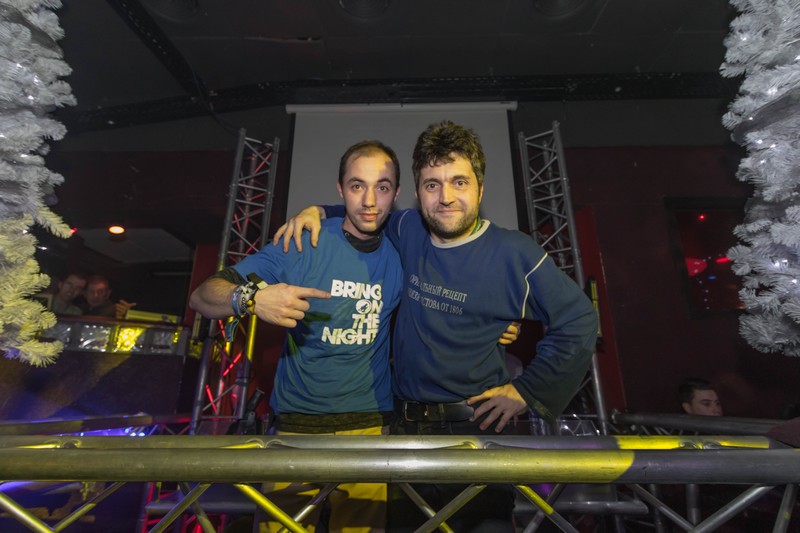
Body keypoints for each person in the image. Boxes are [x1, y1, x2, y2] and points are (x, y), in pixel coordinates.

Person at [276, 120, 599, 531]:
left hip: (476, 431)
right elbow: (366, 211)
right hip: (403, 430)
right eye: (432, 184)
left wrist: (527, 391)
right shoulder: (408, 228)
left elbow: (579, 321)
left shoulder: (514, 253)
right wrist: (319, 210)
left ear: (480, 189)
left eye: (459, 182)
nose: (446, 197)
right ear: (417, 193)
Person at [190, 140, 404, 533]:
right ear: (340, 189)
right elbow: (203, 295)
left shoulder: (402, 249)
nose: (370, 201)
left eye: (383, 187)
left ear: (396, 193)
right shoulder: (304, 243)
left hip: (369, 428)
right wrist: (251, 298)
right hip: (295, 430)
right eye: (357, 186)